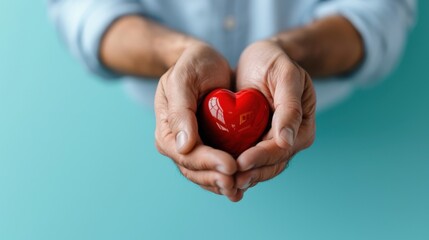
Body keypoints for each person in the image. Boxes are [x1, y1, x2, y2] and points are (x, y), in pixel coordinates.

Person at [48, 0, 416, 202]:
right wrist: (175, 54)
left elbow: (383, 9)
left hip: (348, 150)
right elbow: (79, 8)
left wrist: (287, 52)